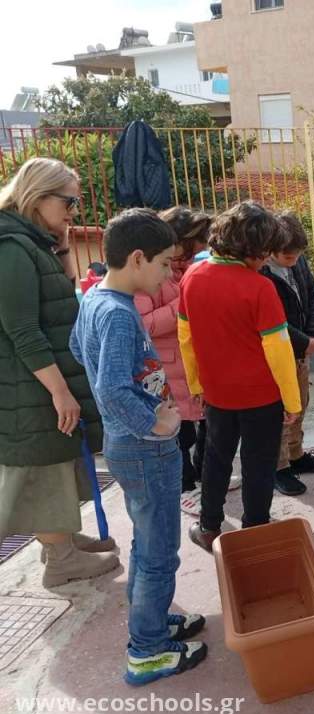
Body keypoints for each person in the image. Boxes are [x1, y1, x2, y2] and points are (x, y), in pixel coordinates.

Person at [70, 208, 208, 685]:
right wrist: (155, 421)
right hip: (144, 448)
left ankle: (152, 621)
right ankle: (147, 650)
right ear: (136, 258)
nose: (169, 273)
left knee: (148, 541)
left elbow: (77, 349)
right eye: (165, 263)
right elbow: (110, 388)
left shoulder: (97, 298)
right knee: (159, 551)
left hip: (128, 445)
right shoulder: (117, 313)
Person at [0, 157, 118, 588]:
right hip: (29, 385)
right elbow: (23, 329)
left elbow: (63, 298)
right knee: (44, 468)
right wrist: (59, 391)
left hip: (38, 379)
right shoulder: (11, 248)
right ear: (37, 196)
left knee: (58, 459)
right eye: (69, 202)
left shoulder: (32, 242)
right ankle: (60, 560)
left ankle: (61, 542)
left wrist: (64, 245)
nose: (74, 211)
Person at [178, 201, 301, 552]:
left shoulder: (191, 277)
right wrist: (291, 401)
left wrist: (196, 384)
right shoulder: (260, 288)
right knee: (258, 464)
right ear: (254, 250)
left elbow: (185, 338)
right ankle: (255, 531)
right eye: (265, 253)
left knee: (216, 458)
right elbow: (279, 351)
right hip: (262, 397)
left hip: (216, 393)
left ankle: (208, 527)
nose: (266, 260)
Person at [134, 207, 214, 516]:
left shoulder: (187, 270)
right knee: (178, 431)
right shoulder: (148, 277)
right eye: (181, 256)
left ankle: (204, 477)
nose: (185, 262)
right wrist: (184, 304)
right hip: (166, 367)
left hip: (191, 362)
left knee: (206, 422)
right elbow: (144, 323)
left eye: (192, 256)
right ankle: (183, 486)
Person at [260, 211, 314, 496]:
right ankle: (278, 467)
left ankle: (295, 454)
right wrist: (303, 341)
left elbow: (311, 295)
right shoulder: (262, 273)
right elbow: (273, 321)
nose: (294, 261)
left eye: (298, 256)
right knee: (281, 411)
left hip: (302, 349)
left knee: (300, 403)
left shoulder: (298, 262)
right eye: (288, 257)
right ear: (271, 250)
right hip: (279, 352)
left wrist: (313, 335)